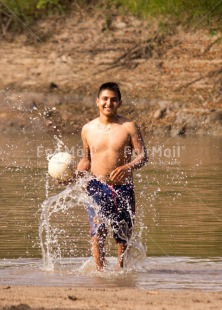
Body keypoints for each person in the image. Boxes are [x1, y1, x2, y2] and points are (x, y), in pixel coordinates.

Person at [77, 82, 148, 271]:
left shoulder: (128, 126)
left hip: (123, 188)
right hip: (96, 186)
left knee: (122, 235)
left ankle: (121, 270)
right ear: (97, 101)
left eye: (114, 100)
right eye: (105, 99)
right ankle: (100, 273)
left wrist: (128, 166)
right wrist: (73, 175)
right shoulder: (87, 129)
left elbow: (142, 156)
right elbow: (86, 160)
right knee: (97, 232)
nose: (109, 103)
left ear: (120, 103)